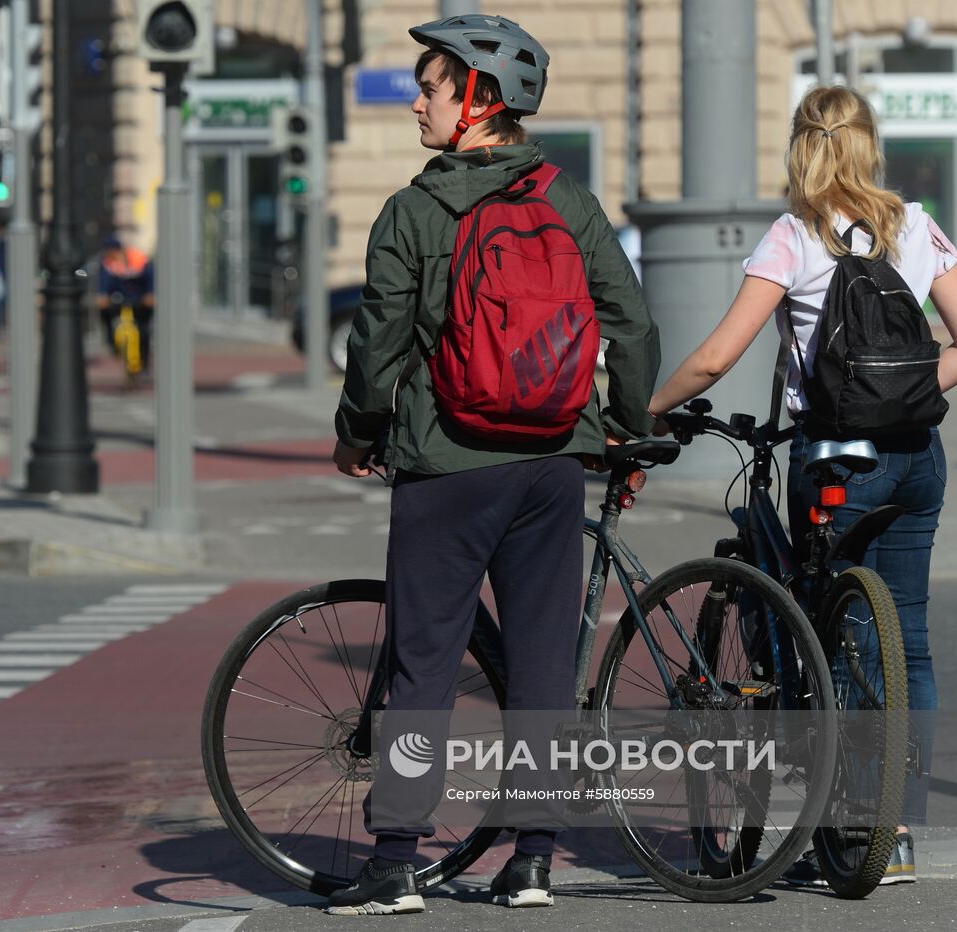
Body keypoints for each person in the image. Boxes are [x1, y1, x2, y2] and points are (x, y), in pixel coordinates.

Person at [328, 14, 658, 915]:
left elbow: (378, 344)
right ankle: (534, 858)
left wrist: (357, 431)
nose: (417, 107)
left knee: (424, 664)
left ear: (476, 99)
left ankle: (397, 856)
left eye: (429, 89)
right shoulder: (570, 202)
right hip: (552, 464)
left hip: (448, 465)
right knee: (545, 662)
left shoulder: (414, 210)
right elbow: (630, 325)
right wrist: (624, 434)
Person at [647, 84, 957, 887]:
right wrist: (907, 393)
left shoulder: (793, 235)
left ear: (803, 147)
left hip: (839, 460)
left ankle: (840, 814)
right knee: (906, 639)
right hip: (916, 455)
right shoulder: (913, 224)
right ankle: (895, 830)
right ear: (869, 143)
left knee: (831, 634)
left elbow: (714, 358)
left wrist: (650, 409)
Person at [95, 234, 152, 363]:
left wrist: (150, 293)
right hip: (118, 299)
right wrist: (103, 295)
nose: (109, 255)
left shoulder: (137, 258)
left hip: (139, 299)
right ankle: (112, 343)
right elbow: (104, 281)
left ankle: (144, 360)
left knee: (143, 329)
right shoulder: (108, 264)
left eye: (111, 251)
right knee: (105, 315)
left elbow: (149, 276)